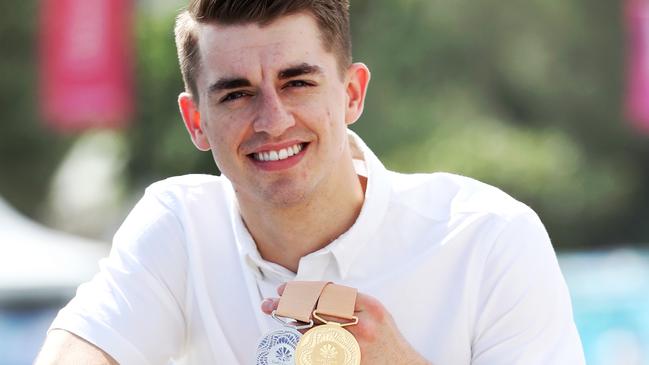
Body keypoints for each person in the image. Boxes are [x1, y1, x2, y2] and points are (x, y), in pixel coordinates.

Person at [36, 1, 585, 364]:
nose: (272, 119)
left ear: (352, 93)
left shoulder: (490, 239)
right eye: (235, 93)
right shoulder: (178, 225)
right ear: (195, 120)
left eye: (296, 82)